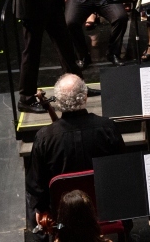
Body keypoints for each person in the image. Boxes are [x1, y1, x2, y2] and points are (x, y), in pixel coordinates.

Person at [26, 74, 124, 227]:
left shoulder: (44, 138)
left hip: (63, 216)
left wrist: (41, 208)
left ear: (57, 102)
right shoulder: (107, 128)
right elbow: (122, 170)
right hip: (104, 208)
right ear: (85, 97)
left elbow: (36, 185)